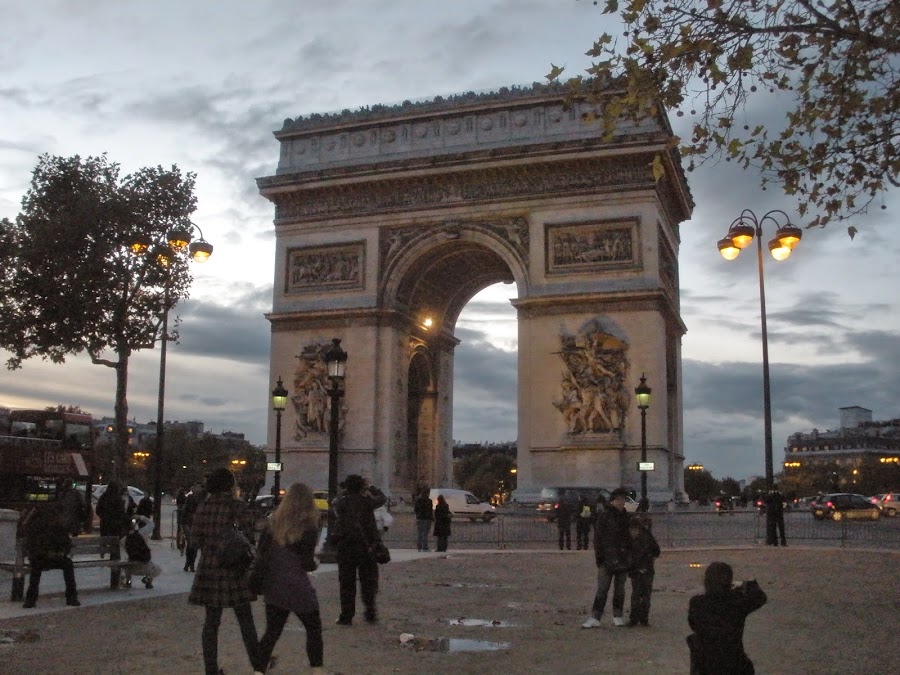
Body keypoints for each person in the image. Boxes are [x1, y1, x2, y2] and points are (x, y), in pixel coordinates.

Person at [187, 468, 261, 675]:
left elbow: (195, 540)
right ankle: (258, 662)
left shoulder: (204, 507)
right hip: (233, 568)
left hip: (209, 567)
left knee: (211, 622)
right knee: (245, 619)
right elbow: (249, 532)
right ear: (230, 485)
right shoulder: (235, 505)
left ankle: (211, 668)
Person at [256, 483, 324, 674]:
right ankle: (317, 670)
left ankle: (258, 671)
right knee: (313, 629)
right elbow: (306, 563)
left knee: (272, 632)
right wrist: (316, 563)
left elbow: (261, 553)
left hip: (274, 584)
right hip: (297, 585)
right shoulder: (309, 527)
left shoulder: (272, 523)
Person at [687, 561, 767, 674]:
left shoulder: (697, 603)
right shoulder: (737, 602)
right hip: (734, 663)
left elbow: (693, 625)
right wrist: (746, 584)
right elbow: (760, 598)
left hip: (705, 666)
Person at [332, 473, 381, 625]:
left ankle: (346, 615)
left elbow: (335, 501)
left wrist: (347, 490)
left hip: (346, 546)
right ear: (361, 487)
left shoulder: (341, 502)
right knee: (368, 582)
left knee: (346, 583)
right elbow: (382, 497)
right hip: (367, 547)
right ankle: (370, 611)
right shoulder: (368, 502)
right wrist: (370, 487)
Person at [582, 487, 632, 628]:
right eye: (620, 499)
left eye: (624, 499)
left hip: (622, 557)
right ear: (613, 500)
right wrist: (600, 557)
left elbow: (629, 539)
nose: (622, 502)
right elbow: (598, 538)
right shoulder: (604, 516)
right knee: (602, 589)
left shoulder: (626, 516)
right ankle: (595, 616)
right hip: (607, 557)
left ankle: (617, 616)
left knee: (619, 589)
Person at [21, 501, 80, 608]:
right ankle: (72, 598)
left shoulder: (36, 524)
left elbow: (31, 543)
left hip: (38, 557)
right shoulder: (57, 525)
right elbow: (66, 543)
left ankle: (30, 599)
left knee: (36, 569)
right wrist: (59, 553)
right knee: (68, 565)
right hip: (48, 556)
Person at [626, 515, 660, 627]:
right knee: (643, 595)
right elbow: (656, 551)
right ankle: (641, 619)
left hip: (642, 570)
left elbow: (654, 552)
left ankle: (637, 619)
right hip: (643, 570)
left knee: (639, 595)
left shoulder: (642, 539)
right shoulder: (646, 537)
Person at [123, 514, 161, 589]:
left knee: (126, 562)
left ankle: (128, 581)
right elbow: (151, 524)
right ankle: (148, 580)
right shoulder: (141, 533)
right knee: (154, 567)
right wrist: (141, 517)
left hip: (131, 565)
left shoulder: (124, 538)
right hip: (145, 563)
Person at [181, 480, 205, 572]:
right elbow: (185, 509)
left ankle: (190, 563)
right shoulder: (190, 497)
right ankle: (189, 563)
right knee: (191, 542)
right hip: (189, 522)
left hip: (195, 522)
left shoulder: (202, 498)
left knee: (193, 543)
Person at [413, 486, 433, 552]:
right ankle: (425, 547)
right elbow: (430, 511)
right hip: (427, 518)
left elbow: (415, 509)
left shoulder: (418, 500)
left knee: (420, 533)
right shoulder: (429, 501)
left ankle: (419, 546)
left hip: (419, 518)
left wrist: (418, 515)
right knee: (425, 533)